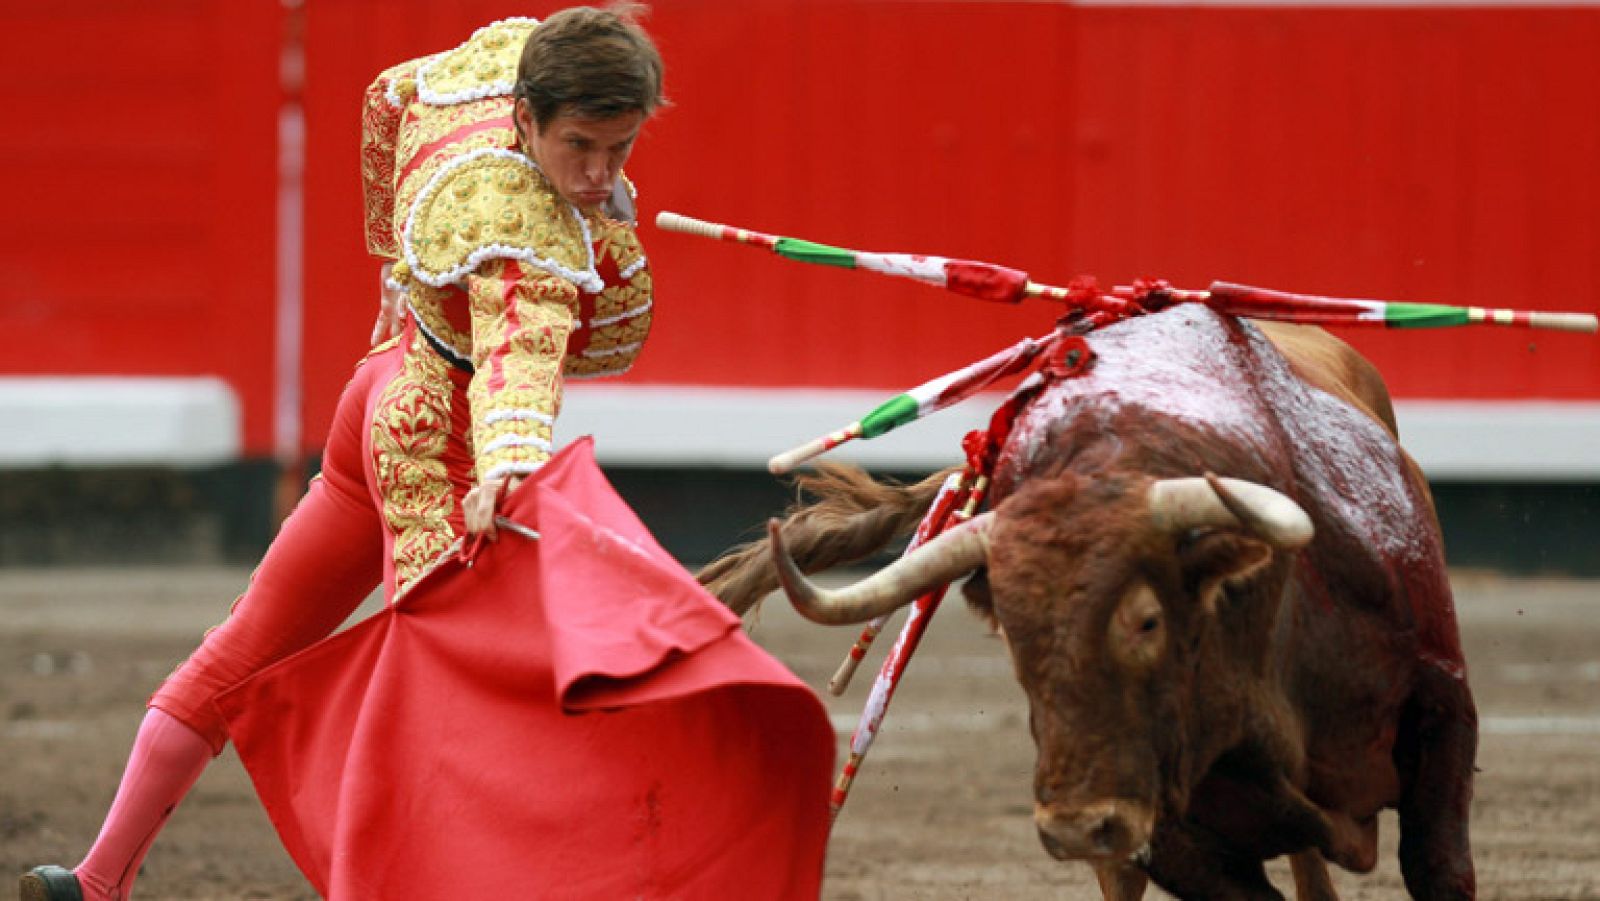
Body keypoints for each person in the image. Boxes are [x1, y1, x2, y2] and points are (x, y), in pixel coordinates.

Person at [22, 9, 833, 900]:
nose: (599, 174)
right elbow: (519, 359)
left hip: (382, 390)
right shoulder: (528, 235)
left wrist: (399, 271)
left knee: (248, 649)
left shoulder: (492, 61)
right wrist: (509, 470)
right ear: (526, 117)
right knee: (458, 705)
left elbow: (389, 96)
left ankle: (95, 882)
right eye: (580, 146)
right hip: (438, 445)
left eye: (620, 147)